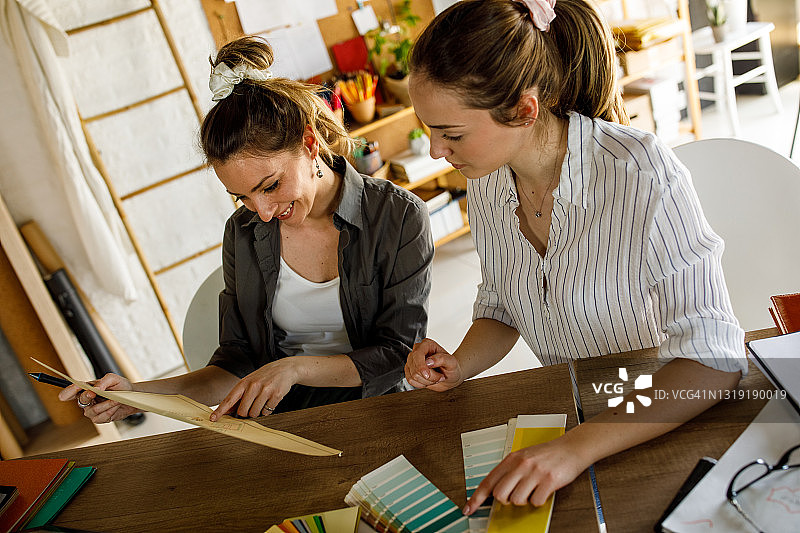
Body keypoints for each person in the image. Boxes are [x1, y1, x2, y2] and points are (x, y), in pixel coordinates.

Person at [404, 0, 747, 515]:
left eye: (450, 134)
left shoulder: (642, 174)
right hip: (577, 415)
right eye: (429, 129)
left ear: (524, 110)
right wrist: (459, 363)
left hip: (657, 414)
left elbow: (714, 360)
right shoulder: (490, 182)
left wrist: (571, 450)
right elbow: (502, 303)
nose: (435, 151)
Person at [60, 36, 433, 422]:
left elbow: (398, 354)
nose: (265, 213)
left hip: (380, 409)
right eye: (243, 197)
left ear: (308, 143)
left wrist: (295, 369)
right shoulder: (243, 232)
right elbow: (235, 364)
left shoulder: (399, 217)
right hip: (281, 419)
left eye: (270, 186)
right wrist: (139, 394)